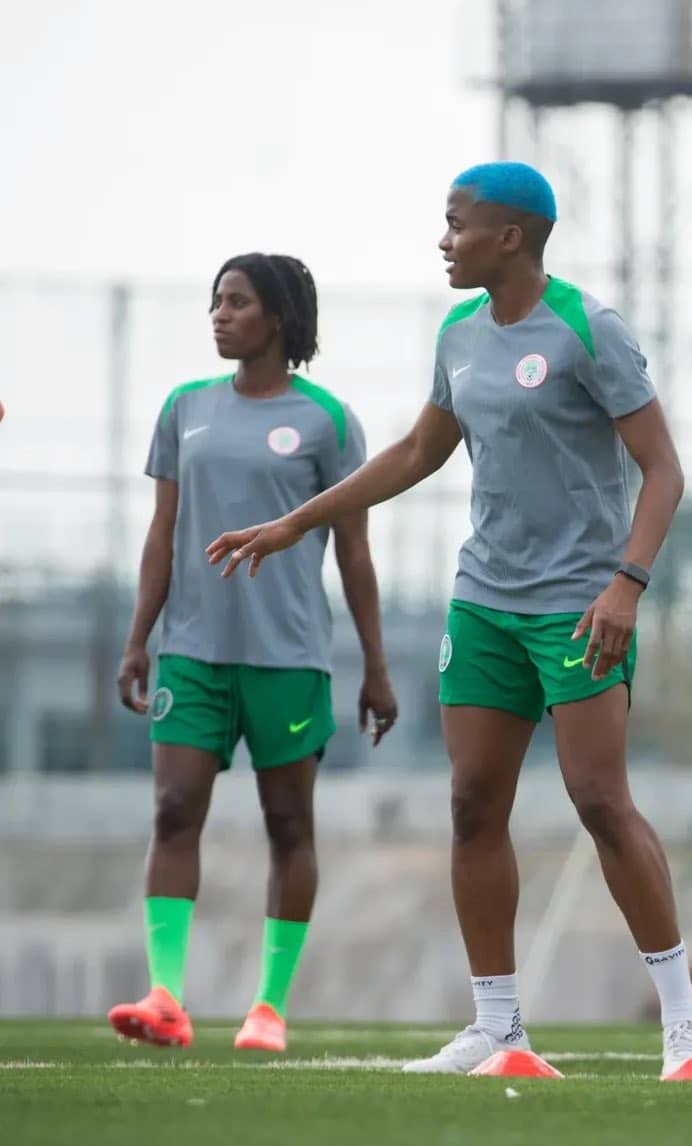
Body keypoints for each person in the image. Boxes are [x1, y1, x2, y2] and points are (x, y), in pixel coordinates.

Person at [207, 163, 692, 1079]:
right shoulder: (456, 333)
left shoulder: (588, 328)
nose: (443, 241)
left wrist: (626, 586)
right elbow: (418, 449)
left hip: (579, 605)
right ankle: (498, 1027)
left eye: (455, 224)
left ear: (510, 236)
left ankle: (685, 1031)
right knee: (470, 804)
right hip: (484, 598)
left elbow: (664, 470)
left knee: (600, 802)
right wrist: (299, 518)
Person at [108, 253, 398, 1053]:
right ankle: (166, 995)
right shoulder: (184, 409)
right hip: (192, 653)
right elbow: (163, 533)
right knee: (172, 810)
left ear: (276, 317)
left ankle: (268, 1008)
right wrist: (139, 638)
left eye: (236, 302)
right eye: (215, 301)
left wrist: (374, 664)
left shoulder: (328, 421)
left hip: (290, 657)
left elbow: (355, 553)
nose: (219, 314)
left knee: (288, 827)